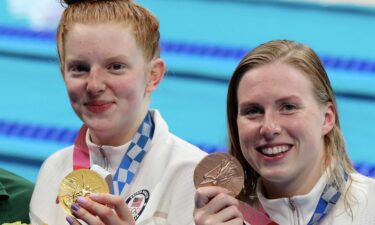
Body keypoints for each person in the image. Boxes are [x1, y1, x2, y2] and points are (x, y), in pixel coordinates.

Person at [29, 0, 206, 224]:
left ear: (153, 75)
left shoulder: (192, 176)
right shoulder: (53, 171)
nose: (94, 85)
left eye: (115, 67)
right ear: (63, 73)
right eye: (80, 68)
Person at [194, 40, 375, 225]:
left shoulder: (370, 209)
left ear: (327, 118)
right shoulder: (217, 217)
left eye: (288, 107)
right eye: (253, 111)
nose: (269, 128)